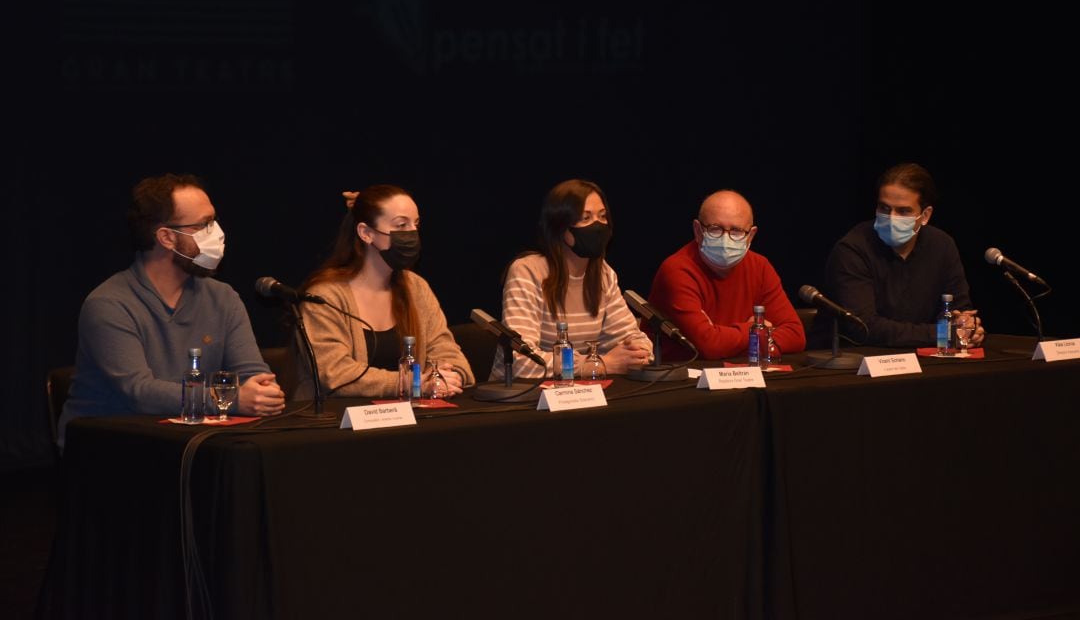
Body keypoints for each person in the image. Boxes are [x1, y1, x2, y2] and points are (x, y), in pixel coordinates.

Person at [58, 174, 286, 447]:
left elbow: (254, 377)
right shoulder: (109, 303)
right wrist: (232, 399)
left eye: (213, 221)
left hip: (188, 443)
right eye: (204, 224)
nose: (216, 233)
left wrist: (263, 394)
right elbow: (139, 392)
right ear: (166, 237)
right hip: (109, 448)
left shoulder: (222, 297)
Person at [296, 185, 473, 399]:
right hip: (339, 424)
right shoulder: (323, 296)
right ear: (366, 233)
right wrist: (412, 383)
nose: (412, 233)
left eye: (415, 224)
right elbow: (335, 373)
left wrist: (448, 377)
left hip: (408, 421)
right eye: (401, 224)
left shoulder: (415, 287)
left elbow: (446, 350)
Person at [489, 178, 652, 382]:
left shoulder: (604, 274)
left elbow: (634, 339)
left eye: (602, 217)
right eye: (585, 218)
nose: (598, 225)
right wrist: (600, 364)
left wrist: (638, 353)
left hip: (580, 393)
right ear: (560, 226)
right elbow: (521, 361)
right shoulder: (528, 271)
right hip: (524, 399)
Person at [817, 162, 985, 348]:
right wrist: (944, 335)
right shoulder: (852, 249)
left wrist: (967, 327)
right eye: (884, 208)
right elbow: (863, 327)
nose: (892, 218)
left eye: (903, 211)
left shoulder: (942, 245)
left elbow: (959, 309)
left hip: (925, 359)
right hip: (858, 361)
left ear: (925, 215)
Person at [647, 190, 806, 361]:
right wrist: (755, 330)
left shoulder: (760, 267)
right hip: (682, 379)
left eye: (737, 231)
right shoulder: (677, 269)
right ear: (697, 230)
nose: (726, 239)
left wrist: (730, 342)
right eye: (715, 229)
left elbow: (796, 335)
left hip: (742, 376)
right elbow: (709, 346)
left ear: (751, 235)